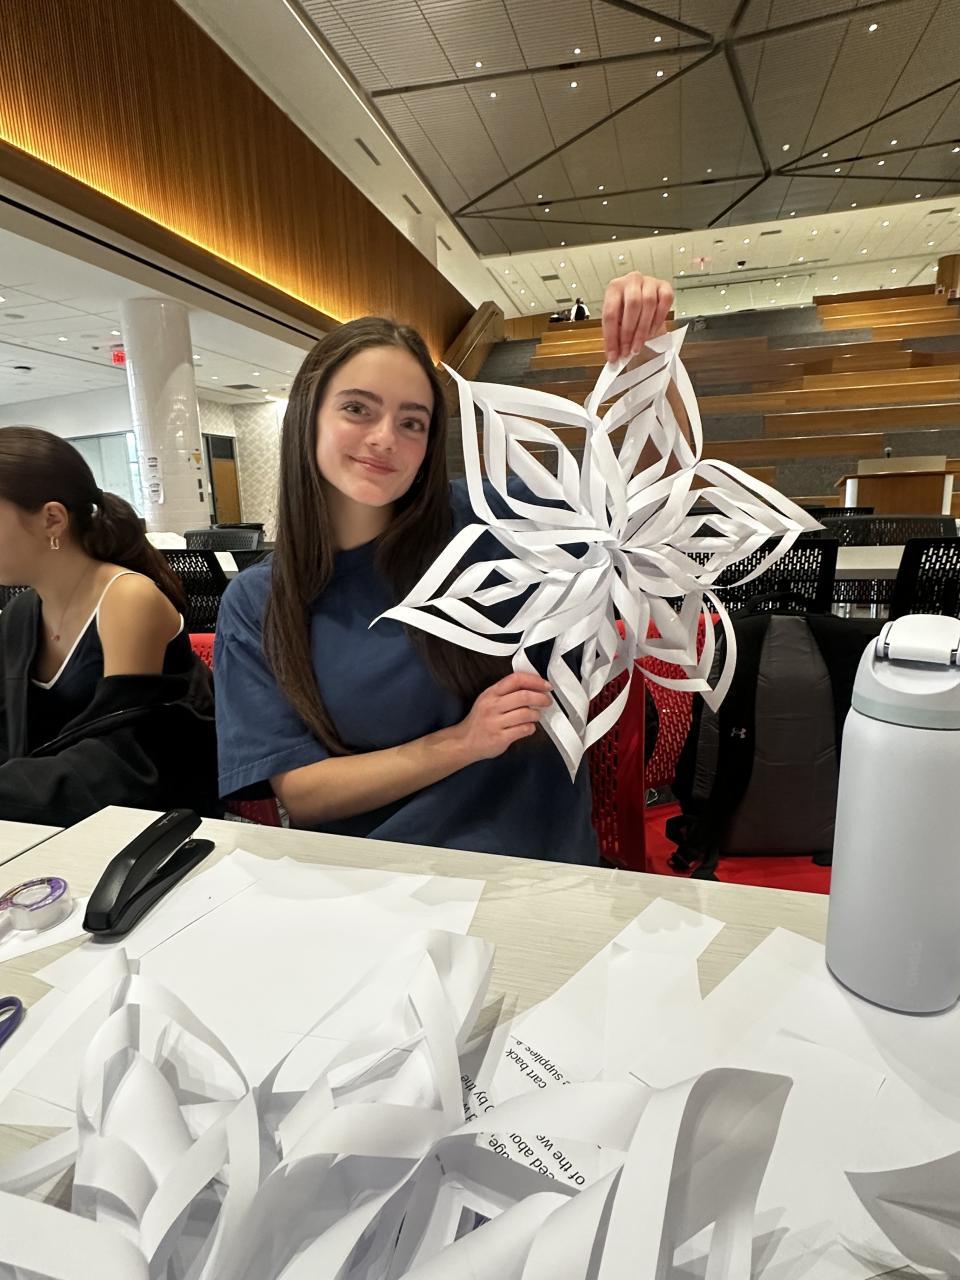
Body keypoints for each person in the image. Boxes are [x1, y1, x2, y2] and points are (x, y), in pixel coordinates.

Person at [214, 272, 674, 862]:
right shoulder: (259, 600)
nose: (385, 438)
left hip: (530, 869)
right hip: (371, 878)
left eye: (412, 422)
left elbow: (642, 507)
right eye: (357, 409)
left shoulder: (493, 521)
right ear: (307, 416)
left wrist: (647, 363)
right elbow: (302, 794)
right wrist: (462, 742)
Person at [0, 427, 219, 824]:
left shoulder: (127, 599)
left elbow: (119, 762)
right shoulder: (20, 615)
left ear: (53, 519)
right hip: (54, 823)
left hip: (148, 828)